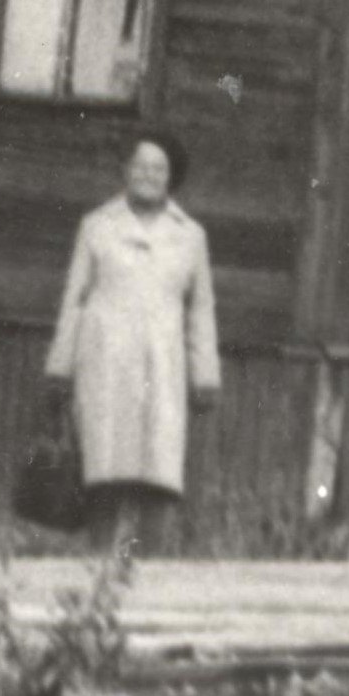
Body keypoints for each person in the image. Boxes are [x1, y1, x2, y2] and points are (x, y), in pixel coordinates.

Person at [43, 132, 217, 552]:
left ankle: (149, 564)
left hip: (162, 365)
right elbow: (74, 300)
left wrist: (205, 375)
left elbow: (201, 310)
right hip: (104, 362)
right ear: (126, 171)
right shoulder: (97, 226)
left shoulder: (191, 235)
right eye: (140, 166)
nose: (148, 175)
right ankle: (100, 561)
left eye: (159, 168)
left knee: (158, 469)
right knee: (104, 464)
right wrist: (60, 366)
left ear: (171, 177)